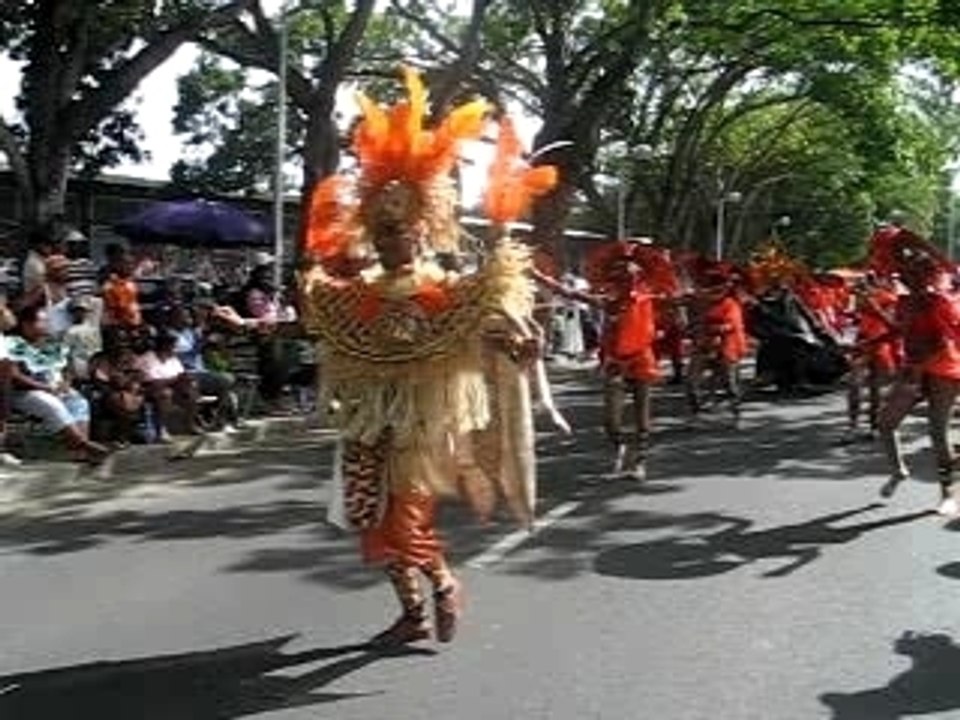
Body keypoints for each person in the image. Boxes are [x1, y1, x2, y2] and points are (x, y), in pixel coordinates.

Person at [301, 71, 553, 647]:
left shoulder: (446, 290)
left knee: (406, 522)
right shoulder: (355, 291)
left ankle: (442, 583)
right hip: (367, 422)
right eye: (385, 231)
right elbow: (324, 326)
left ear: (421, 230)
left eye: (404, 230)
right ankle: (412, 612)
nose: (395, 240)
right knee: (368, 521)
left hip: (422, 425)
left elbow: (484, 330)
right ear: (373, 233)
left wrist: (517, 345)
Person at [868, 226, 960, 516]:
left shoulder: (939, 302)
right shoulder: (904, 302)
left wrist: (917, 370)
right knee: (885, 423)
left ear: (929, 275)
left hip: (942, 370)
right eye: (906, 274)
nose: (909, 277)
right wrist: (864, 344)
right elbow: (900, 331)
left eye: (917, 273)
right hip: (914, 370)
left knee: (937, 433)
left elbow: (940, 341)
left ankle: (948, 494)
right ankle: (899, 471)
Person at [7, 304, 109, 463]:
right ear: (27, 325)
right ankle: (82, 443)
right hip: (23, 392)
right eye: (42, 321)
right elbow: (14, 376)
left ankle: (80, 453)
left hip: (53, 387)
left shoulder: (50, 343)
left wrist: (66, 383)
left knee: (79, 401)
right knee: (52, 404)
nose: (46, 324)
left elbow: (67, 367)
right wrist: (46, 388)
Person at [685, 267, 748, 427]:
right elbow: (693, 322)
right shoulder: (700, 303)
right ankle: (696, 413)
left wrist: (715, 329)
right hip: (703, 346)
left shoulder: (731, 304)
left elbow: (731, 325)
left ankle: (736, 414)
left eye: (716, 288)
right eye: (708, 288)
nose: (711, 292)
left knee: (730, 384)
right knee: (691, 382)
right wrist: (692, 330)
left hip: (726, 347)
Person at [843, 273, 899, 444]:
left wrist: (874, 307)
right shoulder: (860, 297)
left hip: (881, 344)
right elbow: (853, 317)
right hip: (861, 343)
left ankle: (874, 426)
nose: (872, 281)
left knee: (876, 390)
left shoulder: (890, 298)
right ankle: (853, 426)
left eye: (875, 278)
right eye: (869, 278)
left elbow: (891, 323)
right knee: (854, 384)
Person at [168, 305, 240, 430]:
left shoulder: (189, 332)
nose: (188, 318)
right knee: (226, 380)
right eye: (184, 316)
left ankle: (220, 419)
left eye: (189, 316)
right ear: (174, 318)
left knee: (226, 386)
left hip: (201, 371)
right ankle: (216, 419)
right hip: (185, 373)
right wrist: (202, 343)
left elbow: (205, 339)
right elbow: (182, 354)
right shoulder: (171, 335)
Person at [136, 332, 200, 441]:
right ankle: (161, 430)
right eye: (173, 346)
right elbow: (152, 382)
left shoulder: (173, 359)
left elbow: (180, 375)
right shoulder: (147, 359)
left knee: (191, 391)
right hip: (149, 389)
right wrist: (174, 379)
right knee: (165, 394)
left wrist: (185, 380)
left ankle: (190, 424)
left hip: (173, 387)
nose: (175, 349)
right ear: (165, 346)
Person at [101, 244, 143, 348]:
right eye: (127, 264)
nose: (131, 267)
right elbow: (121, 307)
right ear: (117, 264)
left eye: (132, 264)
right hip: (119, 327)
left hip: (132, 324)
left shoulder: (130, 282)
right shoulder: (111, 284)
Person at [62, 296, 103, 381]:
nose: (80, 313)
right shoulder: (70, 331)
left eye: (82, 311)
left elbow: (99, 302)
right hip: (81, 361)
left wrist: (83, 298)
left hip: (98, 359)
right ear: (73, 313)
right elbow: (65, 351)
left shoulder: (93, 324)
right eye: (77, 311)